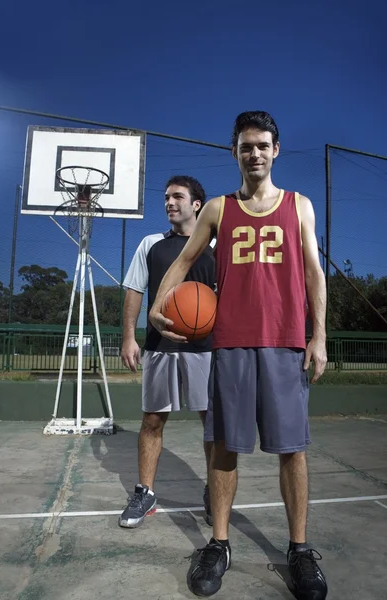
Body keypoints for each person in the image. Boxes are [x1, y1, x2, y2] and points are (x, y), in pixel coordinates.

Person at [148, 111, 328, 599]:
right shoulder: (219, 210)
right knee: (225, 446)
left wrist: (320, 336)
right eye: (246, 146)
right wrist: (158, 307)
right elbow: (184, 260)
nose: (255, 153)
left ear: (276, 151)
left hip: (285, 339)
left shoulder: (300, 206)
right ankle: (220, 543)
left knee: (292, 449)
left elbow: (314, 272)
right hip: (229, 342)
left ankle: (299, 548)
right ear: (235, 152)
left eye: (263, 145)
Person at [119, 175, 216, 529]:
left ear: (196, 204)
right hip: (159, 348)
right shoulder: (151, 243)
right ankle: (145, 492)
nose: (169, 202)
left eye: (177, 196)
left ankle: (213, 491)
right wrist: (129, 336)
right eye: (166, 197)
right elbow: (133, 290)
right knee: (152, 420)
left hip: (206, 349)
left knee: (212, 424)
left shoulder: (217, 245)